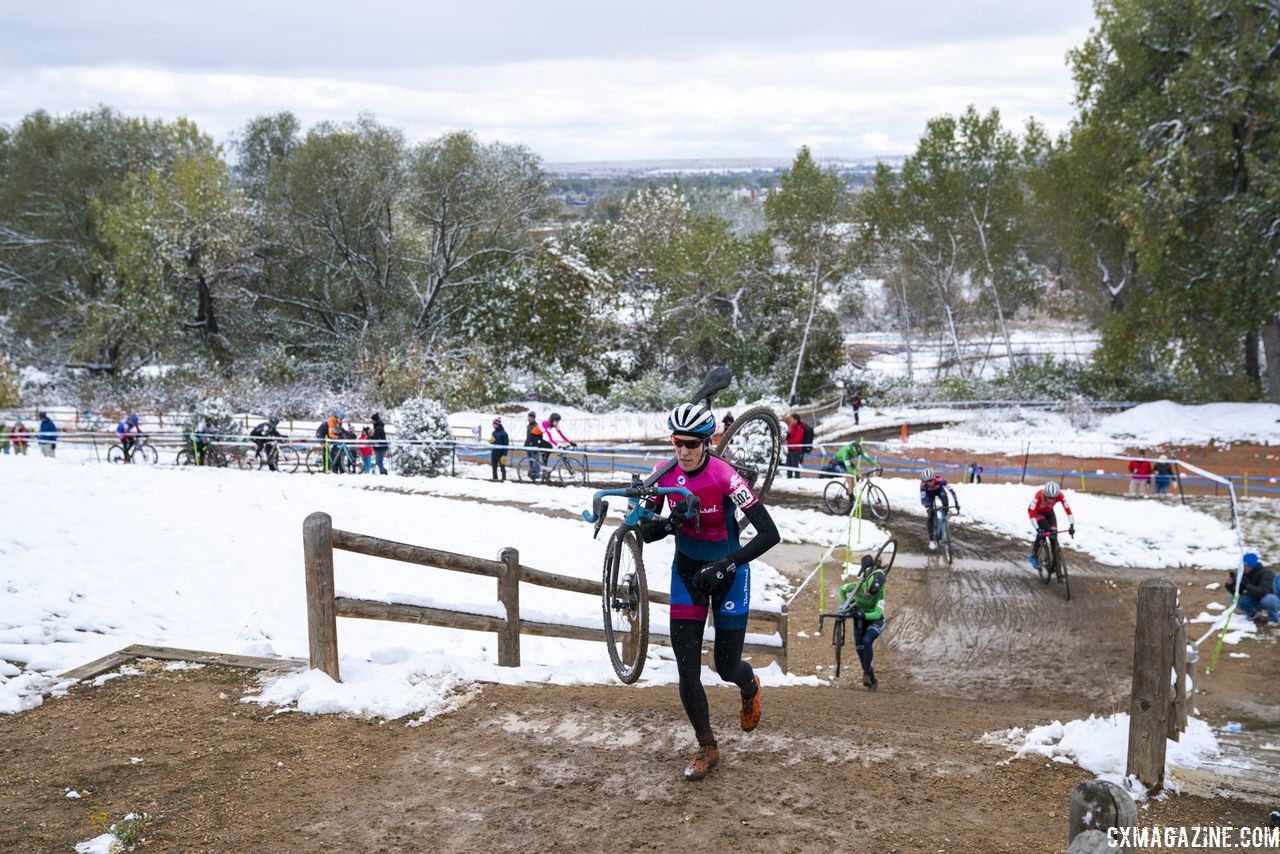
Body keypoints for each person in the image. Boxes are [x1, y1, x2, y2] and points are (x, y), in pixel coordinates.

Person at [641, 403, 781, 782]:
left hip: (729, 573)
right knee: (687, 670)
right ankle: (707, 746)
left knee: (725, 666)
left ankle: (749, 686)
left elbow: (770, 534)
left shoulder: (725, 477)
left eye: (690, 444)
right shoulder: (664, 474)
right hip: (687, 575)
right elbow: (645, 532)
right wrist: (670, 521)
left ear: (706, 442)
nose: (682, 452)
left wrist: (726, 564)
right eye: (676, 442)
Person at [838, 553, 889, 689]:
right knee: (860, 650)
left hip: (875, 621)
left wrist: (863, 615)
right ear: (865, 582)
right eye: (867, 590)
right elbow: (841, 590)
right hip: (859, 619)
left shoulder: (882, 594)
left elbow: (878, 613)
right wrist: (846, 605)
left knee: (867, 641)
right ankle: (872, 679)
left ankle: (866, 674)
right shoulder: (858, 585)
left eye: (871, 593)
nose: (867, 594)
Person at [1027, 481, 1075, 571]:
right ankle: (1033, 556)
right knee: (1045, 530)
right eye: (1048, 497)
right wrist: (1038, 529)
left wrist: (1071, 525)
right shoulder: (1038, 496)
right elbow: (1032, 516)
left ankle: (1055, 561)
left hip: (1048, 512)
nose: (1051, 500)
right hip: (1036, 512)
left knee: (1053, 535)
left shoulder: (1060, 496)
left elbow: (1068, 511)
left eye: (1054, 498)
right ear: (1045, 494)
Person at [1227, 553, 1279, 626]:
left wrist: (1246, 586)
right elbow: (1238, 592)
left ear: (1251, 566)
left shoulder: (1267, 573)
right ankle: (1253, 614)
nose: (1243, 567)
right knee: (1233, 598)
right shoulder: (1243, 573)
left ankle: (1274, 619)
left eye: (1245, 565)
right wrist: (1230, 585)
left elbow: (1263, 592)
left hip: (1272, 600)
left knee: (1268, 599)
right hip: (1255, 599)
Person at [919, 468, 960, 551]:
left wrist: (956, 503)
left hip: (939, 491)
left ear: (934, 478)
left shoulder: (941, 480)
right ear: (924, 481)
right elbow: (923, 499)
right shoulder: (923, 486)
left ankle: (943, 520)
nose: (930, 483)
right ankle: (931, 541)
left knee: (945, 504)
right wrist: (927, 507)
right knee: (930, 515)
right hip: (929, 495)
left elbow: (952, 491)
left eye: (931, 480)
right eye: (928, 481)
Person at [539, 412, 575, 477]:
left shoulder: (554, 425)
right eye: (556, 421)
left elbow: (561, 435)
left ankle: (545, 470)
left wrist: (570, 442)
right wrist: (558, 445)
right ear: (552, 420)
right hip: (535, 437)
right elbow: (550, 438)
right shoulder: (546, 423)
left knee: (548, 450)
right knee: (548, 447)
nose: (557, 423)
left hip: (540, 438)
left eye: (558, 421)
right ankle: (544, 469)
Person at [782, 412, 807, 478]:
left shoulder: (800, 429)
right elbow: (790, 436)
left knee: (795, 465)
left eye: (792, 419)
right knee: (788, 464)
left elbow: (797, 440)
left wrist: (788, 440)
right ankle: (789, 477)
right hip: (790, 449)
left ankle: (797, 478)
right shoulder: (792, 427)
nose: (791, 421)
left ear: (796, 420)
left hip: (796, 450)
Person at [523, 411, 545, 482]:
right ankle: (532, 476)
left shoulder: (537, 426)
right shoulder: (528, 426)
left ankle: (537, 476)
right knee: (530, 461)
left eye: (531, 417)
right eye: (529, 417)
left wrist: (536, 444)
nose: (529, 418)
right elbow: (528, 436)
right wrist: (525, 444)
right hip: (528, 446)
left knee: (536, 462)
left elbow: (540, 437)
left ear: (534, 418)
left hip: (535, 447)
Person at [489, 417, 509, 482]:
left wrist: (504, 455)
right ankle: (495, 479)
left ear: (497, 424)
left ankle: (504, 479)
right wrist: (491, 441)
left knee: (502, 468)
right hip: (494, 453)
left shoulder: (504, 433)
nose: (493, 425)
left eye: (494, 424)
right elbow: (493, 442)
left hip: (501, 454)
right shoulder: (494, 433)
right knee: (494, 468)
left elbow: (506, 445)